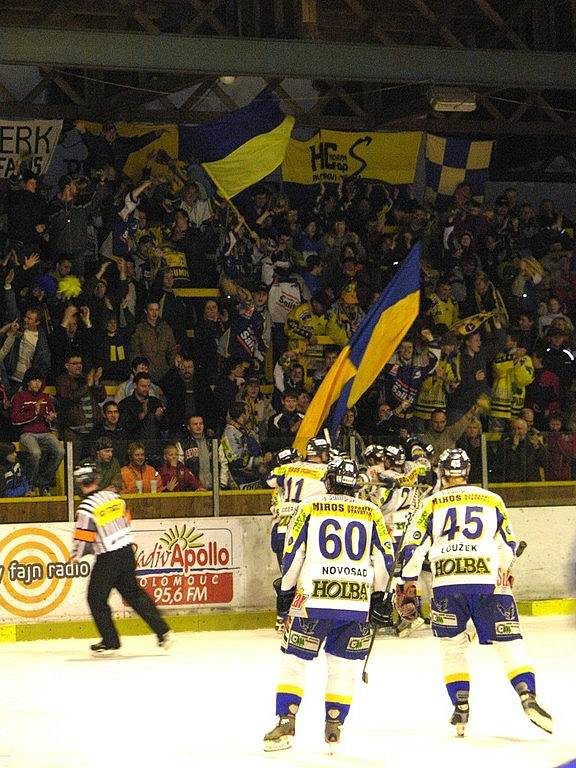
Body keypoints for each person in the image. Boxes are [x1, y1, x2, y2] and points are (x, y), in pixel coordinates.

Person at [400, 448, 553, 737]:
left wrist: (407, 584)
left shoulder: (431, 503)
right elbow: (508, 545)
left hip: (446, 583)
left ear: (442, 473)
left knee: (452, 647)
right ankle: (527, 695)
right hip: (490, 581)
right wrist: (505, 569)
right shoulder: (492, 499)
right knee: (509, 645)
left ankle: (461, 706)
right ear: (468, 472)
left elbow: (412, 548)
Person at [263, 458, 394, 751]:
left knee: (294, 660)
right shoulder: (371, 511)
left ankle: (286, 722)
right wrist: (379, 597)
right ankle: (334, 725)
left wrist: (285, 595)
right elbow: (385, 561)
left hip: (312, 599)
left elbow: (293, 553)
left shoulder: (309, 507)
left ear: (328, 482)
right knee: (344, 667)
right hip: (356, 602)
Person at [70, 460, 172, 655]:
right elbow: (126, 519)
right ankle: (164, 631)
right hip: (126, 551)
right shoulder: (113, 497)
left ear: (79, 482)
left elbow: (84, 538)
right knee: (134, 594)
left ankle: (110, 642)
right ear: (96, 478)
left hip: (109, 557)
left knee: (96, 599)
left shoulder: (85, 508)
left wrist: (76, 555)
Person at [10, 368, 64, 495]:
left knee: (60, 451)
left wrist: (50, 418)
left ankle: (43, 483)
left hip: (45, 432)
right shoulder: (19, 397)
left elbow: (49, 417)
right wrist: (34, 412)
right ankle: (28, 485)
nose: (37, 384)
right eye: (34, 380)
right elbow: (15, 420)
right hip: (27, 433)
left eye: (39, 381)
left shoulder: (45, 397)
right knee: (35, 453)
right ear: (28, 382)